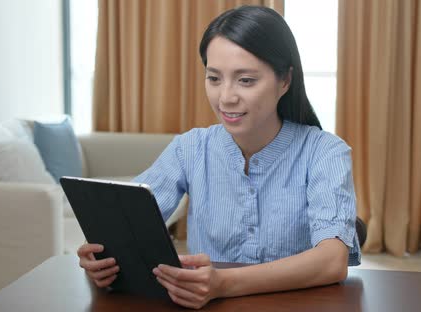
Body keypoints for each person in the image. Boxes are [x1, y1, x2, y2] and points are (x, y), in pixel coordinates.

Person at [77, 5, 360, 309]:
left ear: (285, 81)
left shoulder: (324, 152)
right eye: (214, 78)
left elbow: (332, 261)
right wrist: (99, 257)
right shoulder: (191, 148)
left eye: (246, 80)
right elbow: (126, 220)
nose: (226, 97)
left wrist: (224, 284)